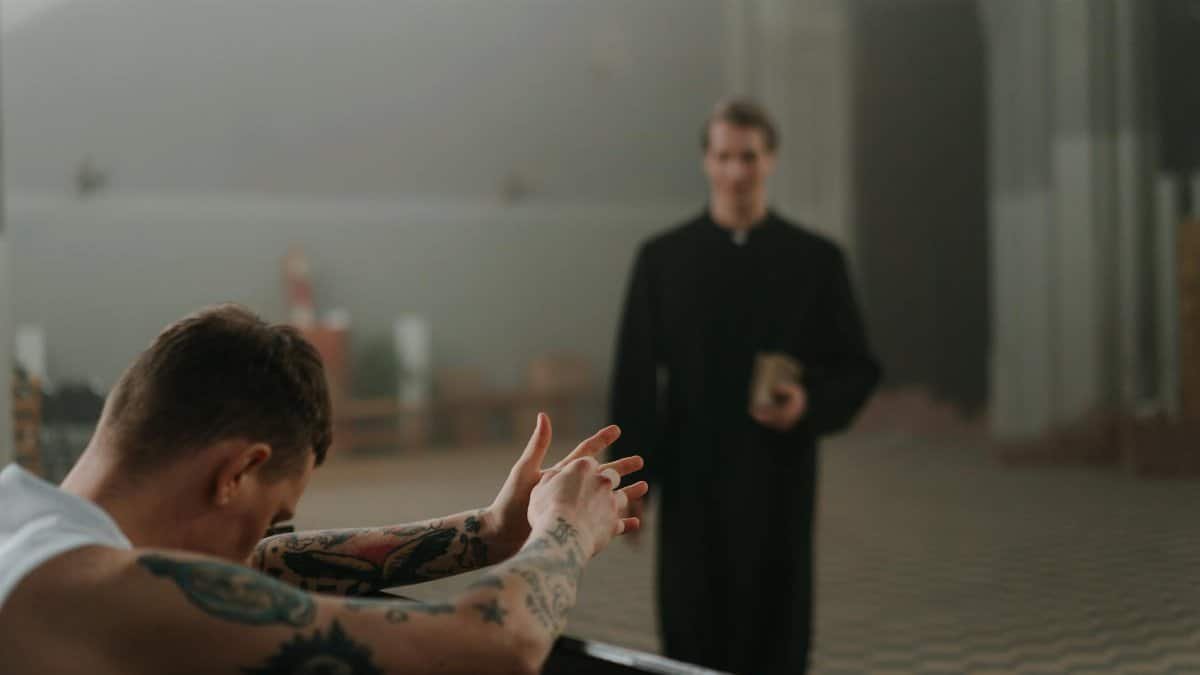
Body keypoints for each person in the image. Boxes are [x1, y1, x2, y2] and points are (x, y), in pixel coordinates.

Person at [0, 304, 648, 674]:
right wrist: (567, 526)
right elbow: (492, 646)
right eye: (272, 513)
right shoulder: (92, 587)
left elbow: (264, 563)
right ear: (235, 473)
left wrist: (485, 532)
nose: (262, 542)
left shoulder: (22, 522)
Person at [609, 99, 881, 673]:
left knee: (776, 628)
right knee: (691, 628)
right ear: (706, 161)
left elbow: (857, 367)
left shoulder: (816, 260)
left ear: (770, 160)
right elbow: (636, 377)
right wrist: (632, 484)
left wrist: (809, 402)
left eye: (749, 157)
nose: (737, 172)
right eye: (725, 157)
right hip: (692, 477)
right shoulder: (663, 260)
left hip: (777, 472)